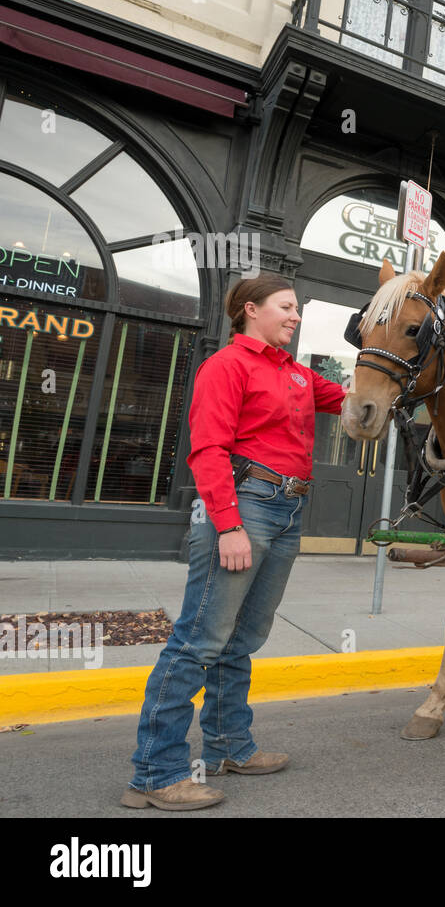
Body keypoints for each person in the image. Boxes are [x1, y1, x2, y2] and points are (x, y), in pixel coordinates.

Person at [122, 274, 346, 811]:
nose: (296, 316)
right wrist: (228, 524)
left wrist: (377, 339)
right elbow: (208, 449)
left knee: (241, 638)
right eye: (287, 307)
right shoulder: (227, 366)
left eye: (298, 309)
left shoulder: (296, 373)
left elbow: (347, 401)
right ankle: (155, 774)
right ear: (251, 310)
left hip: (288, 509)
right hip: (245, 505)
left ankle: (227, 746)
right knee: (199, 640)